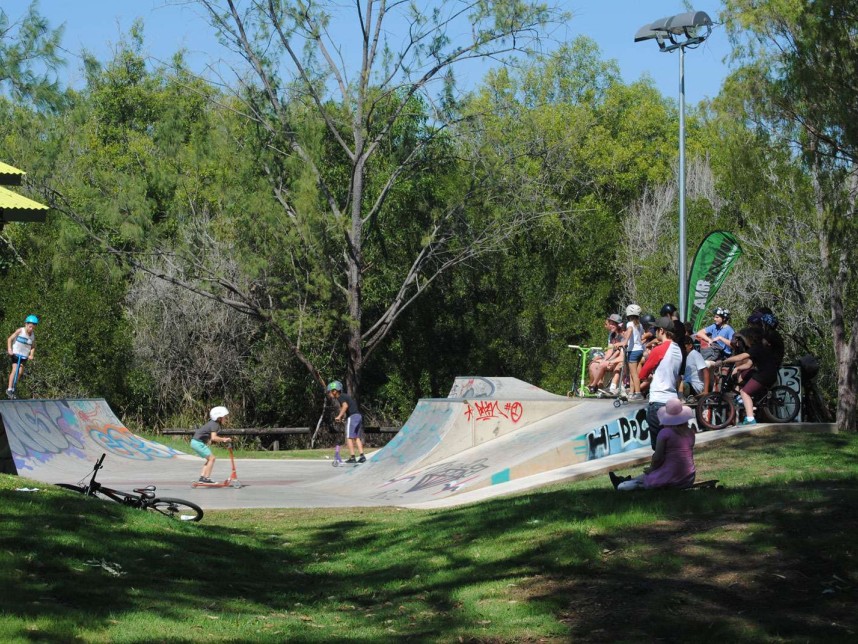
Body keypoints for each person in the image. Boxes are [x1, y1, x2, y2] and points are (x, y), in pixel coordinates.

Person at [608, 398, 696, 491]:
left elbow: (658, 457)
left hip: (672, 477)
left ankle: (623, 484)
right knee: (652, 474)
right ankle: (626, 480)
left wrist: (652, 468)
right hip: (688, 477)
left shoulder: (665, 433)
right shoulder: (690, 432)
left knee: (637, 482)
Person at [714, 324, 784, 426]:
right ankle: (751, 406)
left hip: (765, 374)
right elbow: (748, 364)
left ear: (751, 338)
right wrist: (737, 368)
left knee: (744, 393)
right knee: (745, 388)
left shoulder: (757, 348)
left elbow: (741, 357)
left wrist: (725, 361)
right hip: (769, 374)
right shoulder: (759, 348)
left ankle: (750, 418)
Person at [638, 316, 683, 450]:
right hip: (673, 401)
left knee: (658, 447)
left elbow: (642, 374)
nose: (654, 332)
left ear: (662, 331)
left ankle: (660, 470)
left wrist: (650, 357)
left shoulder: (659, 349)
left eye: (656, 329)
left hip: (658, 401)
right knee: (671, 444)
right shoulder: (678, 350)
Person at [695, 307, 735, 392]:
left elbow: (733, 345)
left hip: (723, 358)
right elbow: (699, 333)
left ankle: (707, 390)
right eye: (715, 317)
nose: (714, 319)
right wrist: (709, 339)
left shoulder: (729, 330)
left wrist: (720, 338)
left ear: (723, 318)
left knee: (705, 365)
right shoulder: (714, 326)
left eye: (717, 317)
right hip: (713, 355)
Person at [190, 406, 232, 483]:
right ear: (219, 417)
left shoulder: (213, 423)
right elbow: (214, 437)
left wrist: (207, 440)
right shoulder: (215, 424)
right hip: (198, 443)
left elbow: (209, 436)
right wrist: (224, 439)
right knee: (212, 458)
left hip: (195, 442)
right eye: (224, 417)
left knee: (209, 459)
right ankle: (206, 478)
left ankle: (202, 477)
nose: (226, 418)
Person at [328, 380, 365, 463]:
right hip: (358, 416)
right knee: (356, 437)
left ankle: (352, 457)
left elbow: (345, 406)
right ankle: (362, 456)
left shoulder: (340, 396)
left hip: (353, 417)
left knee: (349, 437)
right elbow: (349, 408)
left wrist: (339, 416)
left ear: (335, 391)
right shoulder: (344, 396)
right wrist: (343, 417)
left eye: (330, 392)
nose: (329, 394)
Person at [587, 314, 624, 394]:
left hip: (621, 359)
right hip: (614, 358)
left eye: (613, 324)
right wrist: (604, 359)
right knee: (593, 364)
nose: (611, 326)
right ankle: (597, 385)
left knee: (602, 365)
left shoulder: (622, 335)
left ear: (618, 325)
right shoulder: (612, 335)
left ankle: (593, 386)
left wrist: (609, 361)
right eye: (610, 323)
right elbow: (610, 351)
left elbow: (622, 355)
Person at [7, 314, 38, 398]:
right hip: (15, 354)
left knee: (20, 372)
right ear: (26, 324)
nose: (31, 329)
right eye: (30, 327)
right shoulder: (20, 331)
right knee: (14, 369)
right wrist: (9, 349)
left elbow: (33, 346)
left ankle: (13, 388)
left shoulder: (32, 336)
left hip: (24, 356)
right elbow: (9, 339)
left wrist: (31, 354)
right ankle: (9, 389)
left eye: (33, 327)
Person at [622, 304, 645, 400]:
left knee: (634, 374)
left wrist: (625, 341)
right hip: (640, 349)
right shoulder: (640, 325)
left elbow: (630, 330)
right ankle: (631, 392)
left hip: (633, 350)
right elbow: (642, 335)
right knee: (633, 373)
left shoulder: (630, 324)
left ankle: (638, 393)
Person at [681, 335, 707, 401]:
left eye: (684, 346)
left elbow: (706, 371)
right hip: (687, 384)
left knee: (678, 385)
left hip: (695, 386)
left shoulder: (695, 354)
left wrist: (706, 391)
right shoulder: (684, 357)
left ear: (690, 345)